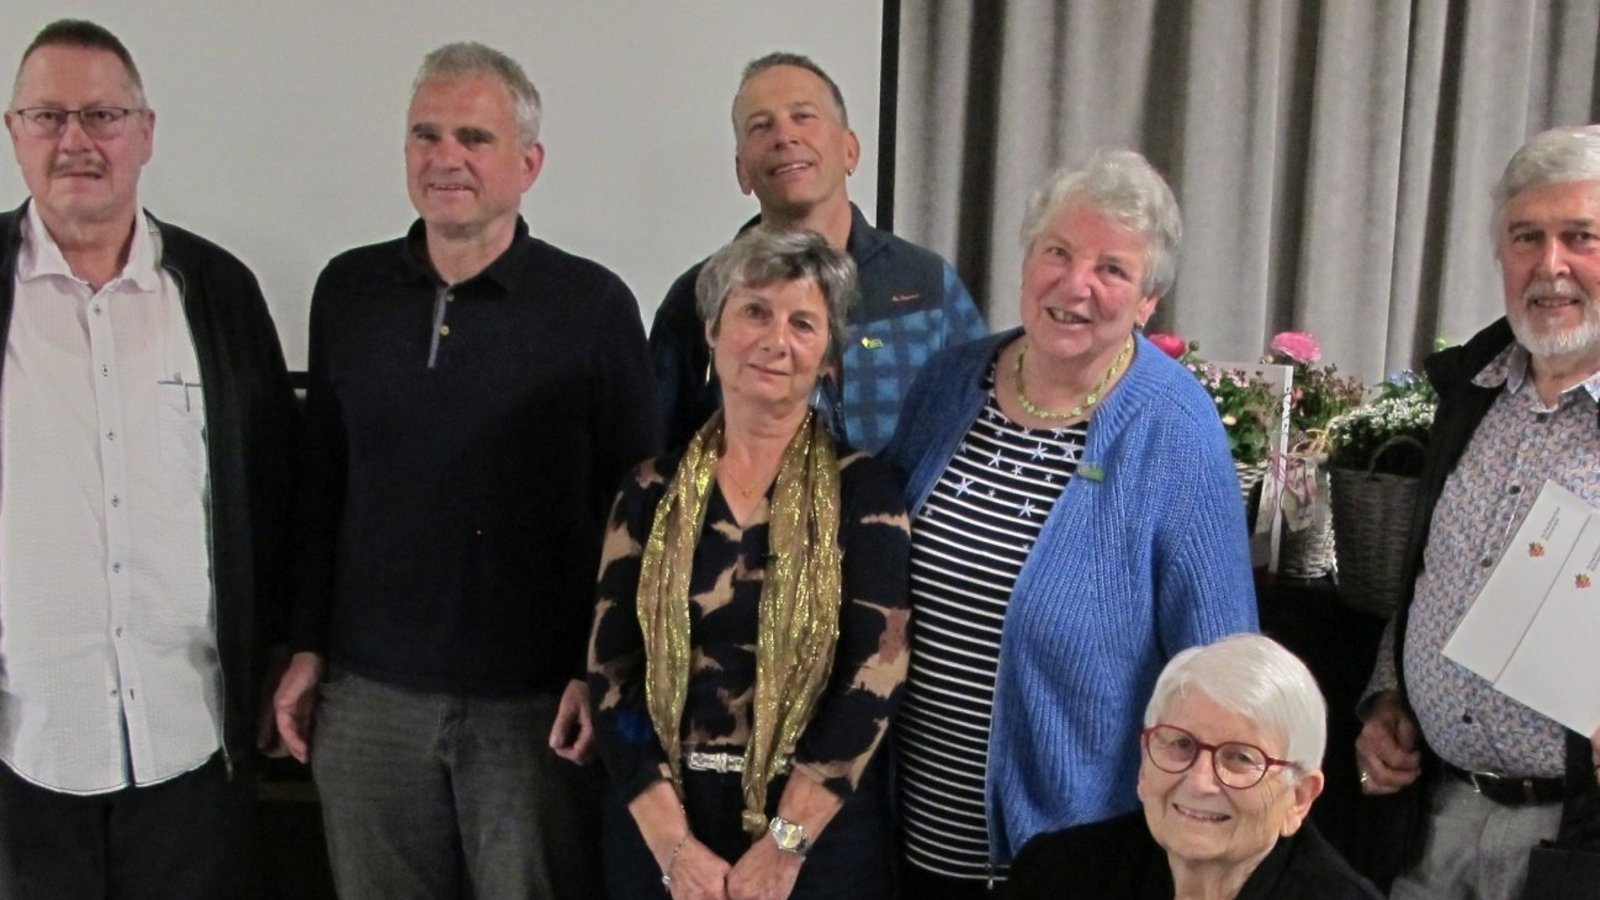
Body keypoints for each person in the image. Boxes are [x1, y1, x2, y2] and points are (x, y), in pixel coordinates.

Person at [271, 41, 659, 898]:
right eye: (426, 135)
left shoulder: (593, 307)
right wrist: (304, 646)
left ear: (528, 163)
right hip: (369, 701)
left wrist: (597, 673)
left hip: (531, 710)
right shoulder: (348, 290)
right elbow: (320, 485)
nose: (446, 158)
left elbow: (637, 515)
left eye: (474, 139)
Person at [881, 148, 1258, 897]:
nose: (1075, 284)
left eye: (1112, 269)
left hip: (1073, 860)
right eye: (1058, 251)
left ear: (1148, 301)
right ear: (1027, 258)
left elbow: (1222, 671)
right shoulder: (949, 383)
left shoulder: (1173, 429)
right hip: (914, 836)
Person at [0, 19, 297, 898]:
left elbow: (278, 494)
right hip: (25, 749)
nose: (76, 141)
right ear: (13, 131)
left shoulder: (217, 292)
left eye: (102, 114)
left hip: (192, 744)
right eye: (48, 116)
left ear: (147, 131)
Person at [588, 226, 911, 900]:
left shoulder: (868, 492)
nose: (776, 340)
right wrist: (674, 848)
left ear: (828, 357)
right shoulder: (645, 492)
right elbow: (613, 673)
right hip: (662, 827)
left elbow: (874, 674)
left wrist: (784, 847)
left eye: (803, 322)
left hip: (816, 836)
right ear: (713, 329)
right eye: (755, 312)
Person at [1354, 124, 1600, 900]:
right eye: (1527, 237)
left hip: (1574, 838)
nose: (1550, 265)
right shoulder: (1472, 391)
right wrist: (1392, 694)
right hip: (1438, 814)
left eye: (1581, 237)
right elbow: (1430, 574)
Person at [650, 51, 987, 454]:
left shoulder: (926, 283)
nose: (784, 137)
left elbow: (981, 428)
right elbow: (662, 458)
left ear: (850, 150)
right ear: (742, 171)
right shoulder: (698, 298)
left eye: (803, 116)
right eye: (761, 126)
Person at [1010, 634, 1381, 899]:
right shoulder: (1058, 875)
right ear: (1143, 761)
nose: (1200, 781)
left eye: (1239, 757)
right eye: (1181, 745)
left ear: (1299, 797)